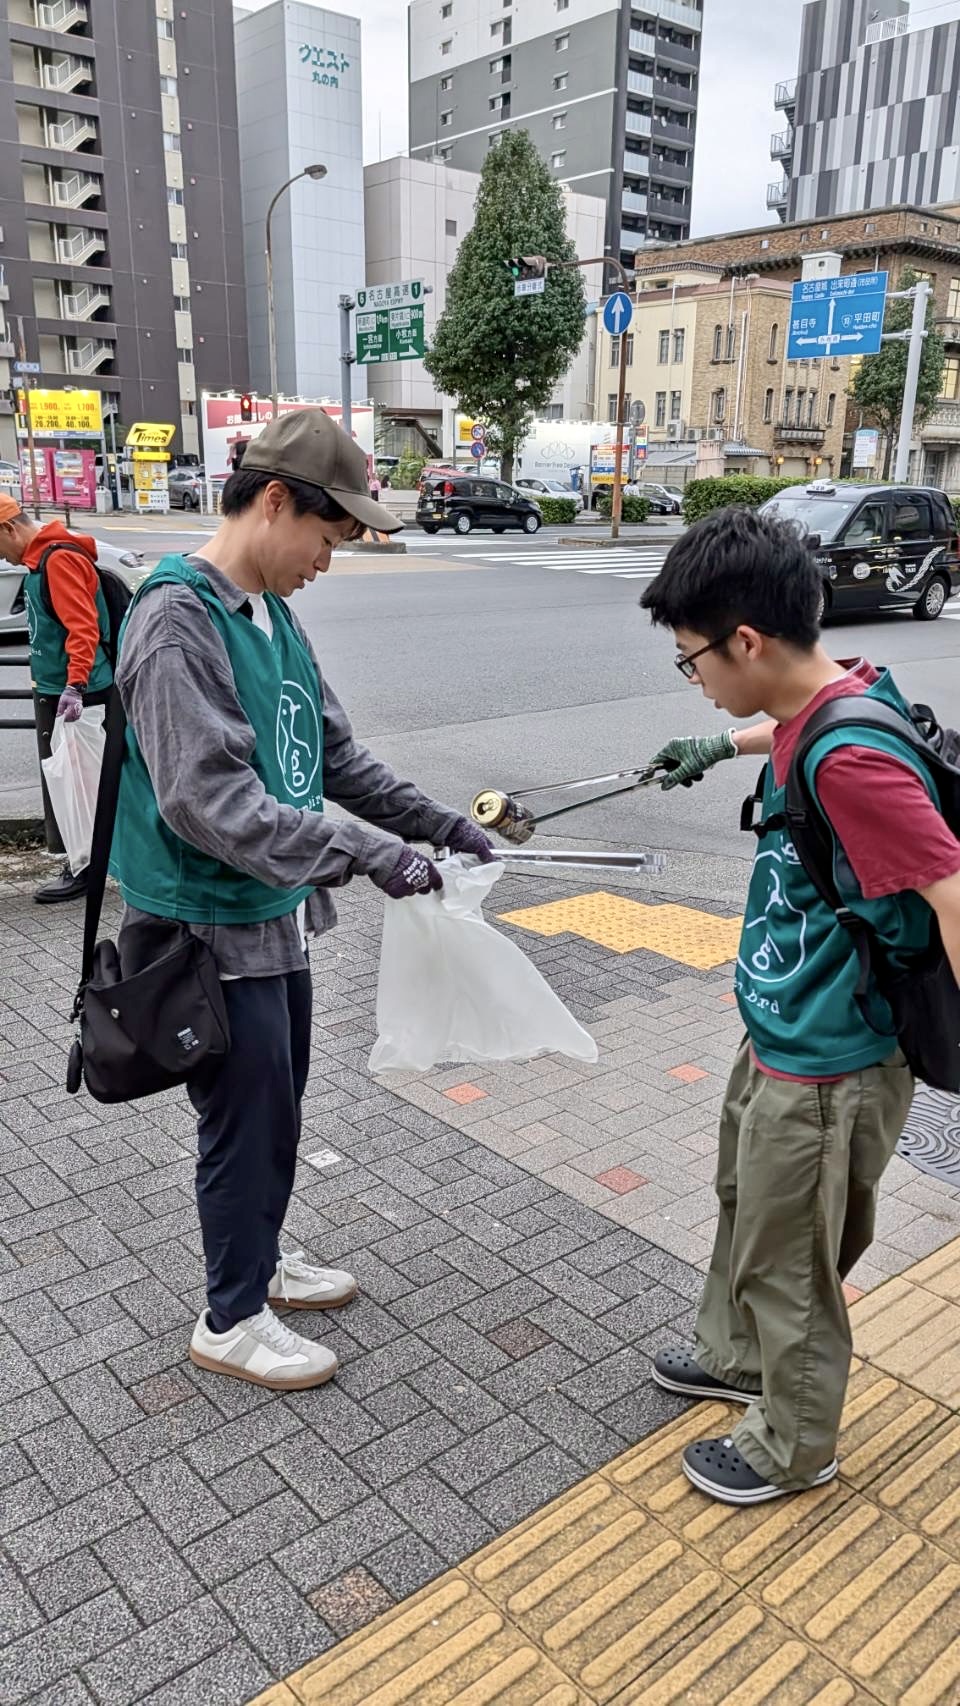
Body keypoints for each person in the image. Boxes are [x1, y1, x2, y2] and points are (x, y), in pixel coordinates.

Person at [109, 408, 493, 1392]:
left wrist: (438, 824)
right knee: (240, 1121)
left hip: (273, 914)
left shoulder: (271, 612)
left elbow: (335, 755)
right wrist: (368, 852)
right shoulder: (175, 618)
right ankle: (230, 1316)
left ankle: (262, 1257)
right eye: (328, 536)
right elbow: (209, 802)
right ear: (275, 500)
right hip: (204, 923)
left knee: (277, 1107)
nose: (329, 561)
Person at [639, 505, 960, 1506]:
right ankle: (736, 1355)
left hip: (834, 1056)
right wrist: (719, 743)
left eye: (692, 659)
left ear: (746, 641)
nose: (692, 675)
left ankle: (795, 1440)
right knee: (747, 1204)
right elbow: (786, 723)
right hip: (783, 1028)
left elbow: (952, 893)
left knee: (791, 1254)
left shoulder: (851, 758)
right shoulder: (823, 698)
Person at [0, 495, 112, 904]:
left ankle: (87, 869)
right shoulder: (41, 561)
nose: (2, 557)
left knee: (84, 790)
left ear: (8, 529)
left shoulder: (58, 560)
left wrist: (75, 685)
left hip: (82, 695)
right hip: (68, 691)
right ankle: (86, 864)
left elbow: (83, 628)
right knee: (78, 787)